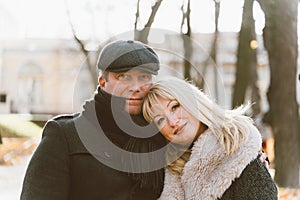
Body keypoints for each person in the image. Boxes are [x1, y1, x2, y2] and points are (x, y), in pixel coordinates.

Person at [20, 40, 167, 200]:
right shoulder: (65, 136)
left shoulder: (165, 135)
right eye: (124, 76)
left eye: (143, 77)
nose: (135, 87)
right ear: (103, 82)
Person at [142, 76, 278, 200]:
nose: (172, 121)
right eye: (160, 120)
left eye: (175, 107)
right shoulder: (167, 174)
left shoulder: (241, 152)